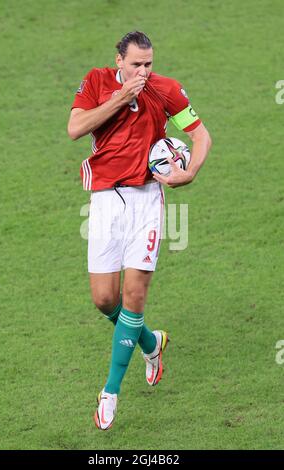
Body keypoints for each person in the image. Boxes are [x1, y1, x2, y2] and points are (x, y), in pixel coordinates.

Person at [68, 31, 212, 430]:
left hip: (147, 201)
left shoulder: (165, 91)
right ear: (119, 61)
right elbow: (75, 129)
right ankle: (150, 343)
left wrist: (191, 172)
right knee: (103, 299)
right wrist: (120, 96)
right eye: (136, 64)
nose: (144, 71)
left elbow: (199, 134)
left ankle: (109, 393)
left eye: (148, 64)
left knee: (133, 296)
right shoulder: (97, 81)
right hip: (104, 201)